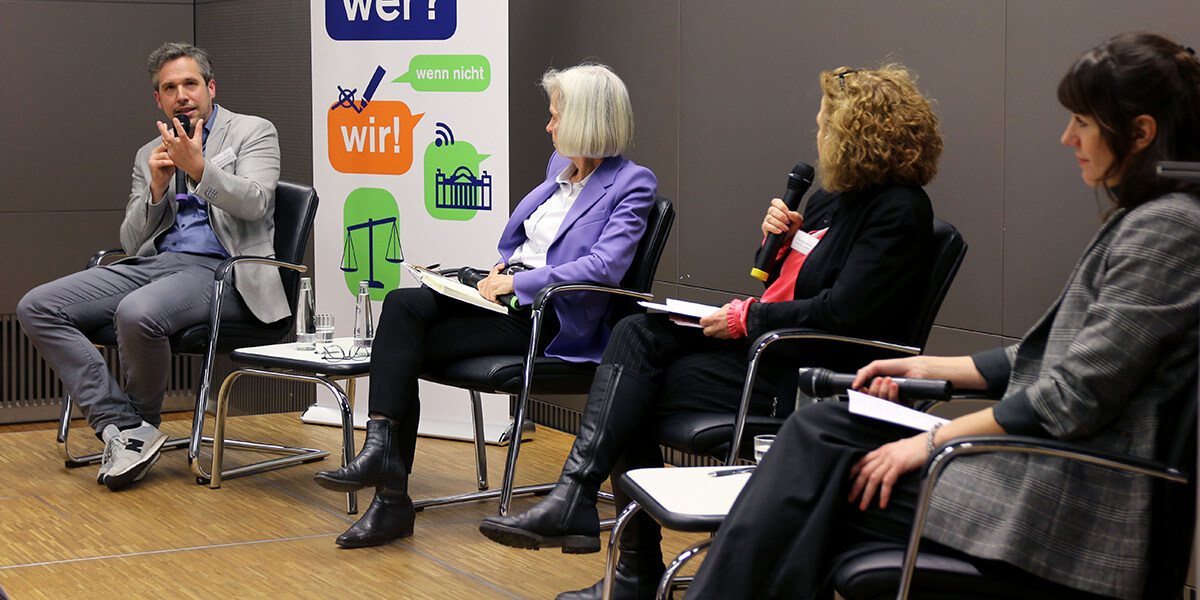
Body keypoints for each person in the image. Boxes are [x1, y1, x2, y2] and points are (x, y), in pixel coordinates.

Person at [682, 33, 1200, 600]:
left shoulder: (1167, 230)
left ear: (1141, 133)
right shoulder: (1150, 221)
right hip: (1047, 474)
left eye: (1083, 120)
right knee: (821, 439)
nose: (1067, 137)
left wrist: (931, 442)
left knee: (820, 446)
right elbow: (1047, 362)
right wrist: (931, 366)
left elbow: (1069, 397)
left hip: (1068, 506)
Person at [480, 65, 945, 600]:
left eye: (825, 124)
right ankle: (585, 510)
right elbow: (781, 284)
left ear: (856, 132)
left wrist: (746, 318)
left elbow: (842, 314)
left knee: (627, 389)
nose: (818, 136)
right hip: (764, 344)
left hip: (798, 371)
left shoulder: (899, 211)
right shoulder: (829, 202)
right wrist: (779, 244)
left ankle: (621, 554)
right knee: (635, 334)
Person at [311, 63, 658, 549]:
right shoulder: (560, 171)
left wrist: (522, 282)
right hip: (510, 305)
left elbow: (604, 268)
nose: (549, 126)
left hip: (551, 321)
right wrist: (500, 274)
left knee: (403, 339)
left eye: (556, 116)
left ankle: (390, 491)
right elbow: (531, 243)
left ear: (584, 120)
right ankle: (385, 471)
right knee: (405, 307)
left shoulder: (631, 183)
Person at [17, 42, 282, 491]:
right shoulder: (148, 153)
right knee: (37, 306)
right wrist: (158, 188)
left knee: (137, 312)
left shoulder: (252, 132)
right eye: (169, 87)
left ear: (210, 88)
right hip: (157, 264)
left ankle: (140, 426)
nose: (181, 94)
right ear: (158, 99)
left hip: (224, 272)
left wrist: (198, 169)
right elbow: (131, 241)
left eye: (190, 84)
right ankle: (123, 427)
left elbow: (256, 203)